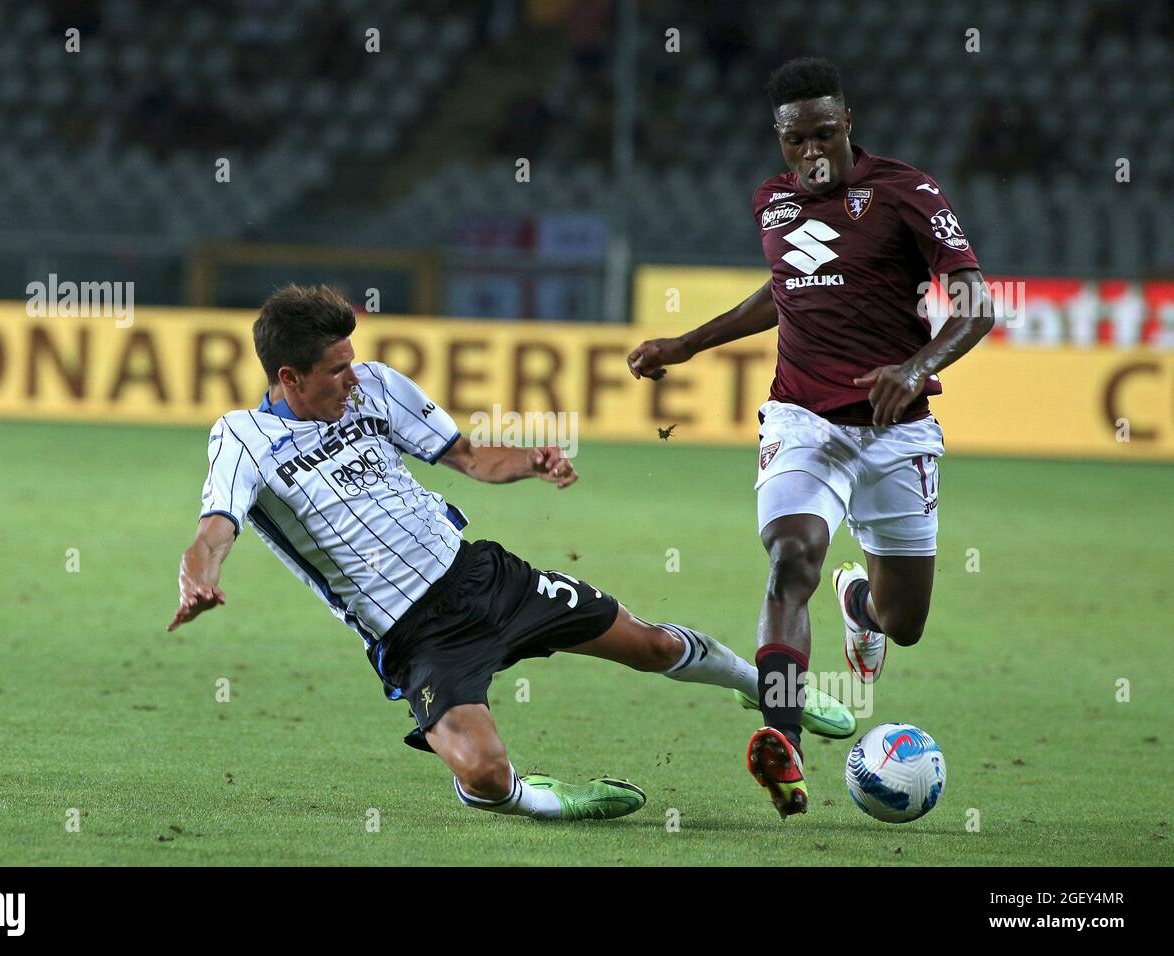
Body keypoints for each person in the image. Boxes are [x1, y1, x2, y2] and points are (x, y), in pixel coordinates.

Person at [169, 283, 856, 822]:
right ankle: (540, 799)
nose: (353, 378)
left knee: (647, 644)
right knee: (487, 777)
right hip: (416, 635)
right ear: (289, 377)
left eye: (352, 362)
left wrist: (529, 461)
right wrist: (198, 582)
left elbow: (465, 455)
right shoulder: (243, 440)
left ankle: (760, 687)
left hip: (481, 576)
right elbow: (212, 532)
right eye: (335, 371)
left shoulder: (375, 386)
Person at [627, 58, 995, 819]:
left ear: (849, 123)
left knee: (906, 624)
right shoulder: (771, 203)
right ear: (780, 138)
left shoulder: (907, 192)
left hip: (897, 430)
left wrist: (917, 365)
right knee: (790, 556)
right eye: (798, 138)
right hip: (802, 420)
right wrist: (688, 345)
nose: (813, 151)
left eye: (826, 132)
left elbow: (976, 305)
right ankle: (783, 743)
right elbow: (784, 289)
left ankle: (859, 605)